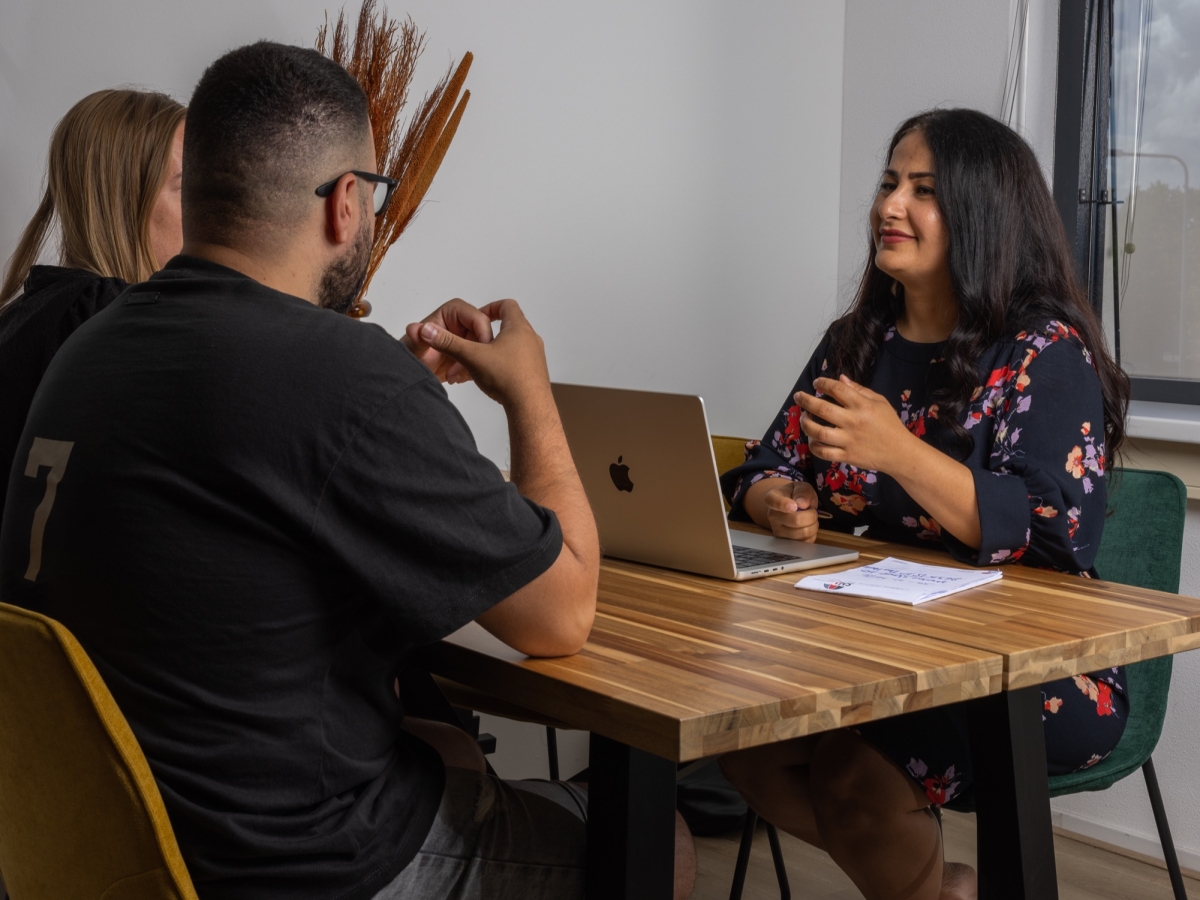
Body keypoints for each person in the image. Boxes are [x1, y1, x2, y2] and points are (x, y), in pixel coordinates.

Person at [0, 42, 694, 900]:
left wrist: (385, 396)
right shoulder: (342, 373)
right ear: (344, 203)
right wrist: (530, 393)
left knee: (441, 749)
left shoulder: (88, 345)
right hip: (279, 870)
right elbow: (563, 612)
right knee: (661, 843)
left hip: (98, 846)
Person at [716, 109, 1130, 900]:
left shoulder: (1043, 351)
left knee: (851, 771)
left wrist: (897, 450)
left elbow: (1053, 531)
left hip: (1030, 669)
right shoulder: (855, 341)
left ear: (983, 212)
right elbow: (763, 467)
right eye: (888, 183)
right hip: (874, 649)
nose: (890, 205)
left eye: (923, 190)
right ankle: (945, 889)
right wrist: (777, 500)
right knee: (745, 746)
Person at [0, 89, 186, 513]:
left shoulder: (33, 313)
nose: (211, 210)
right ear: (123, 199)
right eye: (186, 187)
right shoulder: (106, 315)